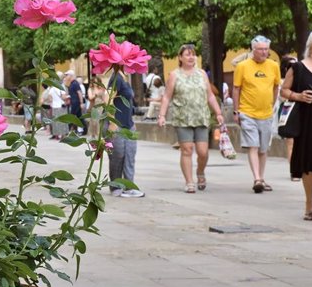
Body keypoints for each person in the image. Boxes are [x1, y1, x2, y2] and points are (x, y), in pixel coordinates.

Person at [157, 45, 225, 193]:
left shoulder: (202, 74)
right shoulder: (175, 75)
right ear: (180, 58)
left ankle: (200, 171)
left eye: (193, 55)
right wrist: (162, 115)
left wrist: (218, 113)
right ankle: (189, 181)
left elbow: (210, 95)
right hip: (182, 118)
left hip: (201, 117)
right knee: (187, 150)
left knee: (203, 152)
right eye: (187, 55)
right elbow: (167, 96)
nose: (191, 57)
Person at [232, 35, 281, 193]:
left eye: (266, 49)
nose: (263, 52)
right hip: (247, 112)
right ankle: (257, 179)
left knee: (263, 149)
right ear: (253, 50)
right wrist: (236, 110)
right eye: (260, 49)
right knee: (253, 145)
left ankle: (262, 176)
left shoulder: (273, 66)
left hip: (266, 113)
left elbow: (275, 87)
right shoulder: (243, 66)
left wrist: (272, 105)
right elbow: (236, 88)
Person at [279, 32, 312, 220]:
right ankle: (309, 202)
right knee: (309, 163)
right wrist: (299, 96)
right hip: (307, 120)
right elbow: (284, 90)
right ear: (310, 45)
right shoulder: (298, 68)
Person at [107, 70, 144, 198]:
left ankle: (129, 187)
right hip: (117, 124)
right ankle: (115, 187)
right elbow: (108, 99)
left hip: (129, 125)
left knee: (130, 156)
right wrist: (112, 122)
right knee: (118, 156)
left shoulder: (125, 78)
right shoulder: (116, 77)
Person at [274, 55, 299, 180]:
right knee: (291, 142)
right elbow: (282, 98)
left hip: (302, 111)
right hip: (288, 111)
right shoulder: (281, 82)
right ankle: (294, 171)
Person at [65, 70, 84, 135]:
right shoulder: (72, 83)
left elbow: (79, 93)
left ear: (71, 75)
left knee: (73, 116)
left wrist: (81, 103)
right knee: (78, 116)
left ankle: (72, 129)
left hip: (76, 103)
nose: (66, 76)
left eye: (67, 75)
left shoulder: (75, 83)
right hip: (73, 102)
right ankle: (80, 130)